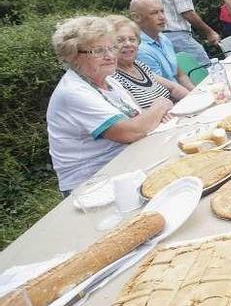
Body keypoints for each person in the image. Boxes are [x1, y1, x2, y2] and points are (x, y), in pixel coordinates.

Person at [47, 16, 172, 195]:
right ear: (73, 55)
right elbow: (130, 131)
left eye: (112, 48)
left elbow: (139, 119)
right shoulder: (73, 92)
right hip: (91, 184)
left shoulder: (110, 80)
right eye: (98, 51)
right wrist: (161, 104)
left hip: (124, 163)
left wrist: (149, 118)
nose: (110, 56)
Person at [107, 15, 188, 109]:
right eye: (120, 40)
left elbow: (173, 88)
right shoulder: (113, 77)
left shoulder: (139, 65)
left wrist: (193, 99)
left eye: (132, 39)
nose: (128, 44)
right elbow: (136, 113)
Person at [129, 0, 196, 90]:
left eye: (162, 11)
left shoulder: (163, 38)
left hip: (182, 94)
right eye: (154, 13)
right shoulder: (139, 50)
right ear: (136, 17)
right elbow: (161, 89)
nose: (162, 17)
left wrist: (196, 93)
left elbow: (180, 75)